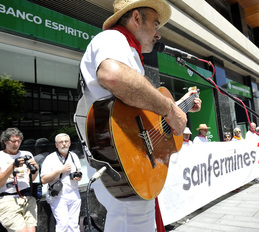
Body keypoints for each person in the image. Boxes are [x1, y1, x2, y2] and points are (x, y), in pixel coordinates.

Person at [73, 0, 202, 231]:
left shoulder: (127, 50)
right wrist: (171, 110)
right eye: (155, 23)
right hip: (119, 158)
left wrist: (181, 106)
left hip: (126, 159)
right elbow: (113, 75)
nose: (158, 34)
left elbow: (141, 112)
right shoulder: (113, 38)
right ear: (136, 18)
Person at [41, 133, 82, 232]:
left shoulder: (74, 156)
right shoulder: (50, 158)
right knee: (62, 224)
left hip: (74, 193)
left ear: (70, 143)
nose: (64, 144)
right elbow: (43, 179)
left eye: (66, 141)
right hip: (58, 196)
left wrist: (78, 177)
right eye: (61, 142)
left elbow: (80, 172)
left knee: (74, 225)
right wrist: (59, 170)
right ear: (56, 145)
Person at [0, 128, 39, 232]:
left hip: (27, 198)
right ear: (5, 141)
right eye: (13, 141)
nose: (16, 144)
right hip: (8, 200)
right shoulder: (0, 156)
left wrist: (36, 171)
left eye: (18, 141)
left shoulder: (27, 154)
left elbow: (32, 179)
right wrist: (12, 166)